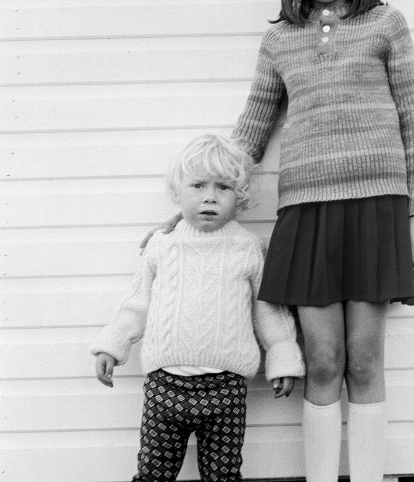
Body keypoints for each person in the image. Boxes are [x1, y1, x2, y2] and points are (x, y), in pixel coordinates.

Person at [230, 0, 414, 482]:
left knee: (365, 362)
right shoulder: (280, 41)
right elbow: (252, 127)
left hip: (377, 209)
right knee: (323, 361)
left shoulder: (386, 24)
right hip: (308, 213)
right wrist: (199, 204)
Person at [92, 134, 305, 482]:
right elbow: (137, 302)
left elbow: (268, 309)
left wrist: (283, 355)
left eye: (223, 187)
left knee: (222, 476)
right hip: (165, 388)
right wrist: (113, 345)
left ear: (240, 195)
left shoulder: (247, 247)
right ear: (178, 193)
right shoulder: (162, 245)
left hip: (226, 390)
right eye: (198, 186)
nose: (210, 196)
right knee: (153, 473)